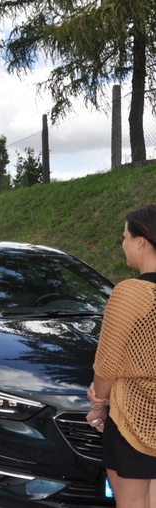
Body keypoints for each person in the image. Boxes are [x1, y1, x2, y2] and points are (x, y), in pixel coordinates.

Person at [86, 205, 156, 506]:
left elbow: (108, 363)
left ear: (141, 241)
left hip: (134, 419)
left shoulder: (132, 293)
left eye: (125, 236)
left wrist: (98, 405)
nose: (122, 244)